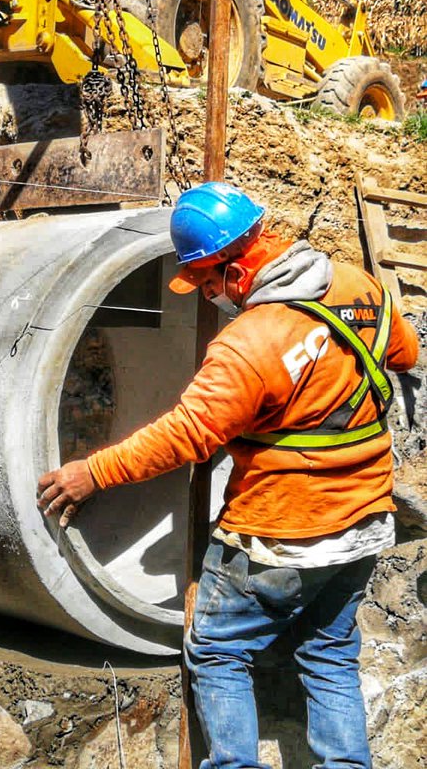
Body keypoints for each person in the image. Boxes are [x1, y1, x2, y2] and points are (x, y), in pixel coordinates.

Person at [37, 181, 419, 769]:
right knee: (330, 654)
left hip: (280, 532)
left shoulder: (249, 343)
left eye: (209, 284)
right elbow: (405, 354)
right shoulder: (358, 285)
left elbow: (186, 435)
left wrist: (94, 472)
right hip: (365, 518)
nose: (208, 296)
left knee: (217, 648)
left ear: (236, 272)